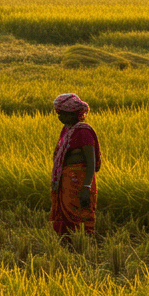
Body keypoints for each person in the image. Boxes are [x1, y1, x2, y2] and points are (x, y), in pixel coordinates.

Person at [50, 93, 102, 238]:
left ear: (74, 114)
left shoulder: (83, 132)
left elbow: (91, 163)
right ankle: (67, 244)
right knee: (65, 217)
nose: (59, 117)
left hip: (79, 182)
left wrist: (86, 187)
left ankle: (85, 244)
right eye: (58, 113)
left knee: (81, 214)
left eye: (63, 113)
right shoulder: (67, 130)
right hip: (66, 181)